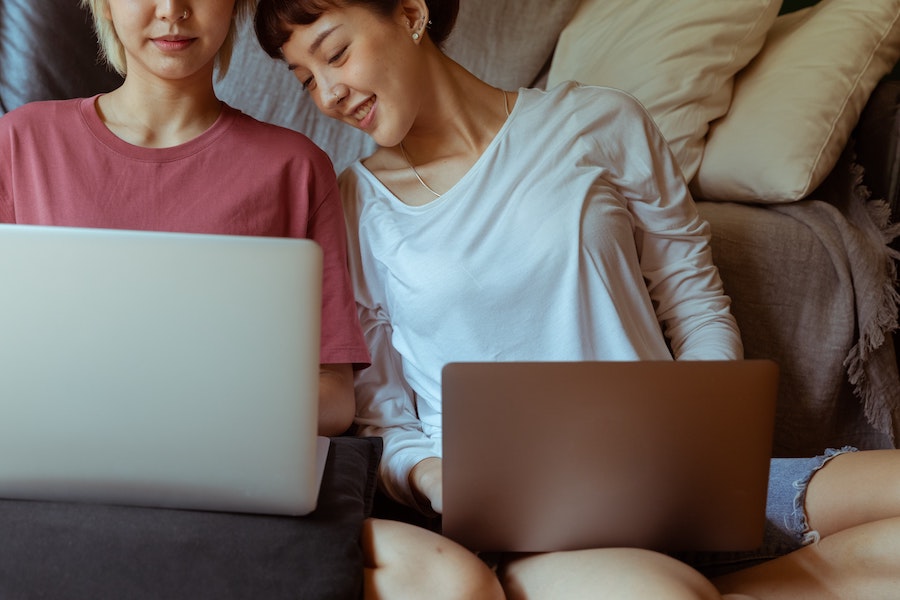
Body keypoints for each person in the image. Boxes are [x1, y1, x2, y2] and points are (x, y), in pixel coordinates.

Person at [254, 0, 900, 598]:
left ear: (412, 12)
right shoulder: (355, 205)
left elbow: (691, 296)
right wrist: (436, 479)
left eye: (335, 54)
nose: (329, 94)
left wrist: (706, 441)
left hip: (677, 480)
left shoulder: (599, 121)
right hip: (532, 524)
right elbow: (383, 414)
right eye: (305, 79)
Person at [0, 1, 504, 599]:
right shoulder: (21, 142)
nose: (172, 12)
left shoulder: (294, 168)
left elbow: (334, 397)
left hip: (234, 493)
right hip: (53, 488)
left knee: (453, 580)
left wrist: (184, 409)